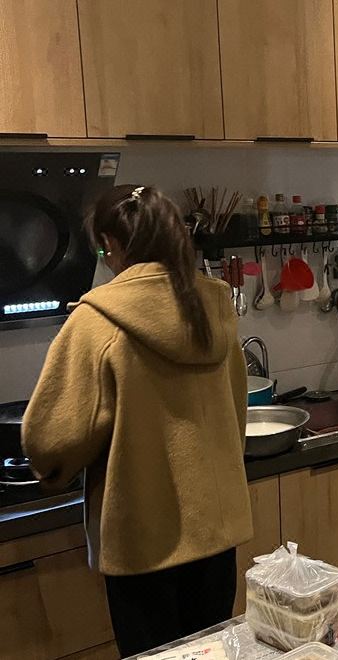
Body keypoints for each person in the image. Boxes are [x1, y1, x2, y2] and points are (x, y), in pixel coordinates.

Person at [22, 185, 253, 656]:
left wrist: (56, 472)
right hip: (217, 535)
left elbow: (51, 439)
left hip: (144, 544)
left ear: (112, 243)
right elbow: (236, 415)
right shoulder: (212, 306)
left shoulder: (96, 319)